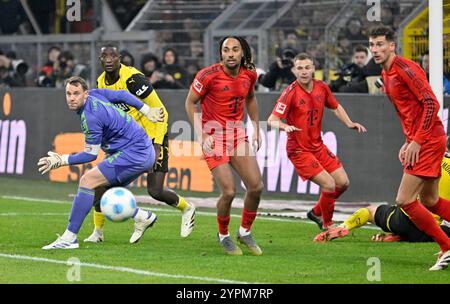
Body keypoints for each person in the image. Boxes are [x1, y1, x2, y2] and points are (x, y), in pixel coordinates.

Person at [38, 77, 164, 249]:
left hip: (134, 152)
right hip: (137, 148)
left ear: (85, 94)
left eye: (76, 93)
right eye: (68, 94)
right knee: (97, 191)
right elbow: (122, 95)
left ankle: (69, 238)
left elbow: (90, 154)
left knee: (87, 181)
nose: (72, 98)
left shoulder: (90, 117)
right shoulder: (95, 95)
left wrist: (61, 160)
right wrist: (146, 110)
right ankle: (141, 216)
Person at [88, 44, 196, 243]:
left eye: (113, 56)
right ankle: (98, 232)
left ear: (120, 58)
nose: (109, 59)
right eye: (105, 56)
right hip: (127, 140)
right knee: (99, 183)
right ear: (100, 60)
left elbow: (160, 109)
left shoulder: (133, 80)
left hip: (152, 134)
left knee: (155, 190)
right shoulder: (101, 82)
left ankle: (187, 208)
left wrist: (156, 144)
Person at [368, 26, 450, 271]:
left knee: (404, 200)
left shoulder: (405, 68)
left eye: (381, 44)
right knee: (430, 199)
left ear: (392, 45)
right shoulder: (385, 74)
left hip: (428, 140)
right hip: (422, 138)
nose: (375, 49)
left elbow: (431, 103)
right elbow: (409, 112)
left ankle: (447, 247)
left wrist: (417, 140)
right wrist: (408, 139)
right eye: (372, 45)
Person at [267, 53, 367, 233]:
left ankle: (315, 212)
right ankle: (328, 225)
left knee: (342, 183)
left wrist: (349, 123)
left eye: (307, 68)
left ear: (313, 69)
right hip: (299, 150)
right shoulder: (289, 93)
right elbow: (271, 120)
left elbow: (335, 106)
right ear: (294, 70)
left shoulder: (322, 87)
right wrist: (284, 126)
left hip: (317, 146)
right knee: (329, 184)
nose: (304, 72)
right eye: (299, 68)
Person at [185, 36, 264, 256]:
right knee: (229, 191)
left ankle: (245, 231)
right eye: (226, 50)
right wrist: (201, 135)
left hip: (237, 134)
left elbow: (250, 98)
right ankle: (224, 235)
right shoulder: (207, 75)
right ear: (221, 54)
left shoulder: (249, 73)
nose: (230, 54)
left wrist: (256, 127)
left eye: (235, 50)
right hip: (213, 137)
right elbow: (190, 102)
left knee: (256, 187)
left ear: (242, 53)